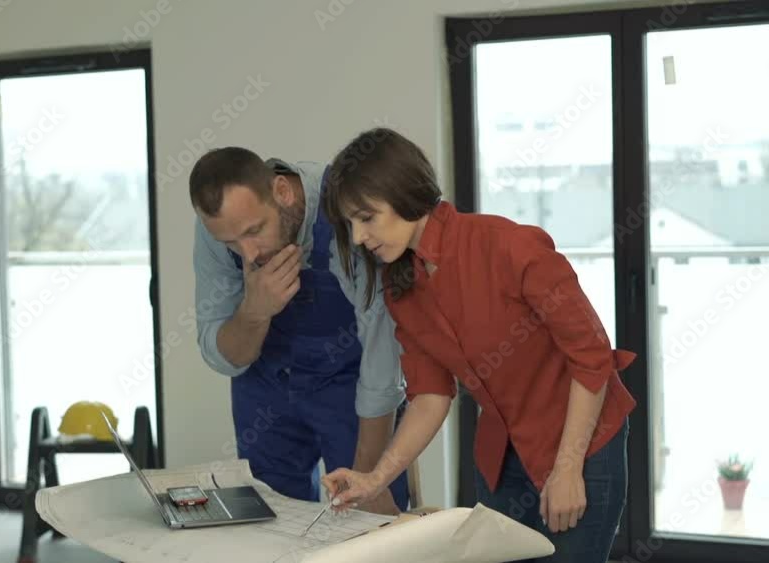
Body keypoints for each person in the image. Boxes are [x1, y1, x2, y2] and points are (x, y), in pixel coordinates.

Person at [319, 128, 637, 562]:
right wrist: (375, 480)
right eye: (349, 224)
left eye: (366, 217)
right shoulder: (402, 288)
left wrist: (566, 469)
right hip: (501, 458)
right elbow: (430, 396)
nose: (357, 237)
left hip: (580, 446)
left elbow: (592, 358)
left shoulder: (510, 246)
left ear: (402, 192)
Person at [189, 147, 412, 514]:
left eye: (254, 231)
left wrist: (372, 475)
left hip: (353, 387)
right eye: (231, 242)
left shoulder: (346, 207)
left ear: (283, 192)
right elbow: (225, 358)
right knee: (271, 527)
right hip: (265, 385)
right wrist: (254, 313)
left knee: (368, 530)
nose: (247, 254)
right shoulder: (218, 226)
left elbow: (383, 355)